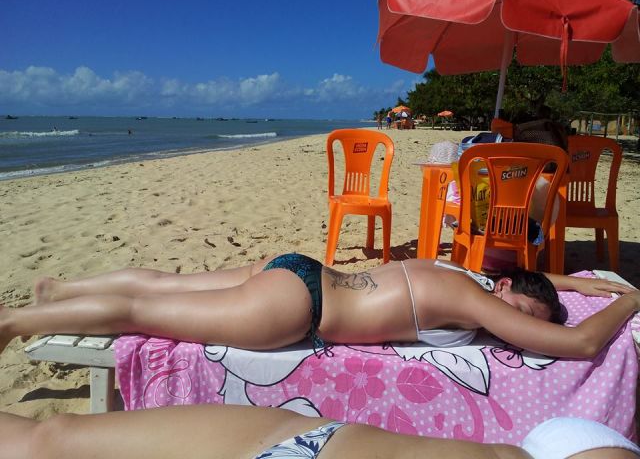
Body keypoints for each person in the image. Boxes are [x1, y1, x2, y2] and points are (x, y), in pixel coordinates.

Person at [0, 254, 636, 357]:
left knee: (166, 284)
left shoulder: (461, 271)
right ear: (506, 293)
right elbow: (582, 344)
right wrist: (629, 300)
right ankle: (15, 322)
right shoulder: (478, 301)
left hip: (300, 269)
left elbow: (530, 280)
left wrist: (573, 285)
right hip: (298, 306)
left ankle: (63, 290)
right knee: (139, 313)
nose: (516, 329)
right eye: (524, 314)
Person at [1, 403, 638, 459]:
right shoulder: (566, 439)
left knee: (52, 440)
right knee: (54, 440)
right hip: (305, 442)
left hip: (306, 442)